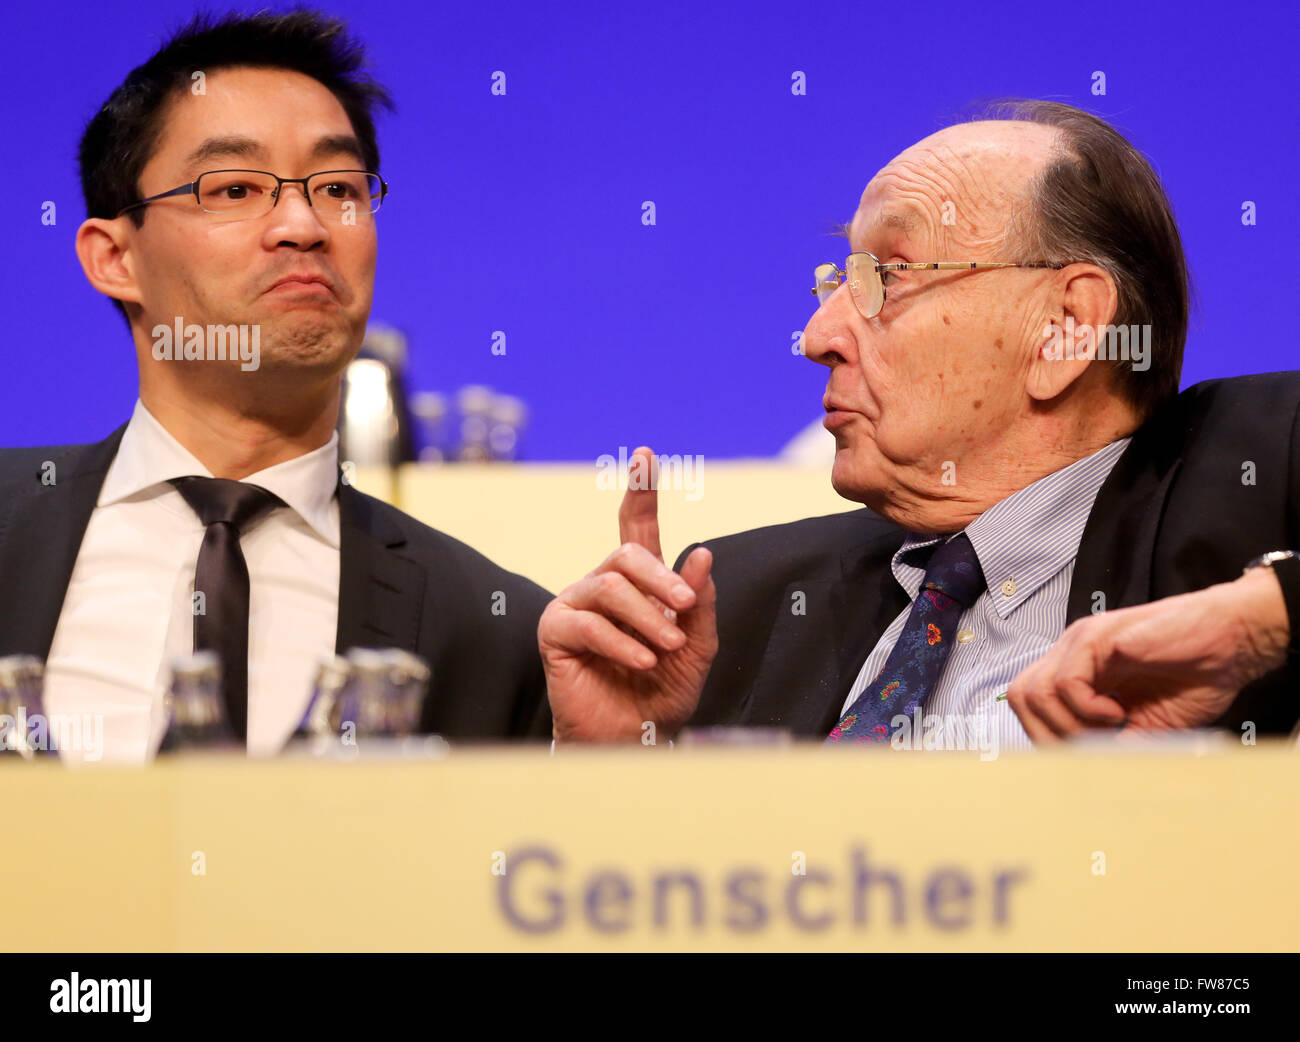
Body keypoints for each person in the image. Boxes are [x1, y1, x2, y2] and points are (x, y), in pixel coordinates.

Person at [538, 100, 1299, 748]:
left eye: (889, 276)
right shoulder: (733, 604)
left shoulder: (1261, 466)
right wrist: (615, 779)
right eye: (840, 279)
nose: (817, 336)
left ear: (1067, 326)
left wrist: (1267, 617)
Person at [0, 11, 550, 761]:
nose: (302, 224)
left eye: (337, 187)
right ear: (113, 258)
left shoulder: (495, 631)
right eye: (233, 189)